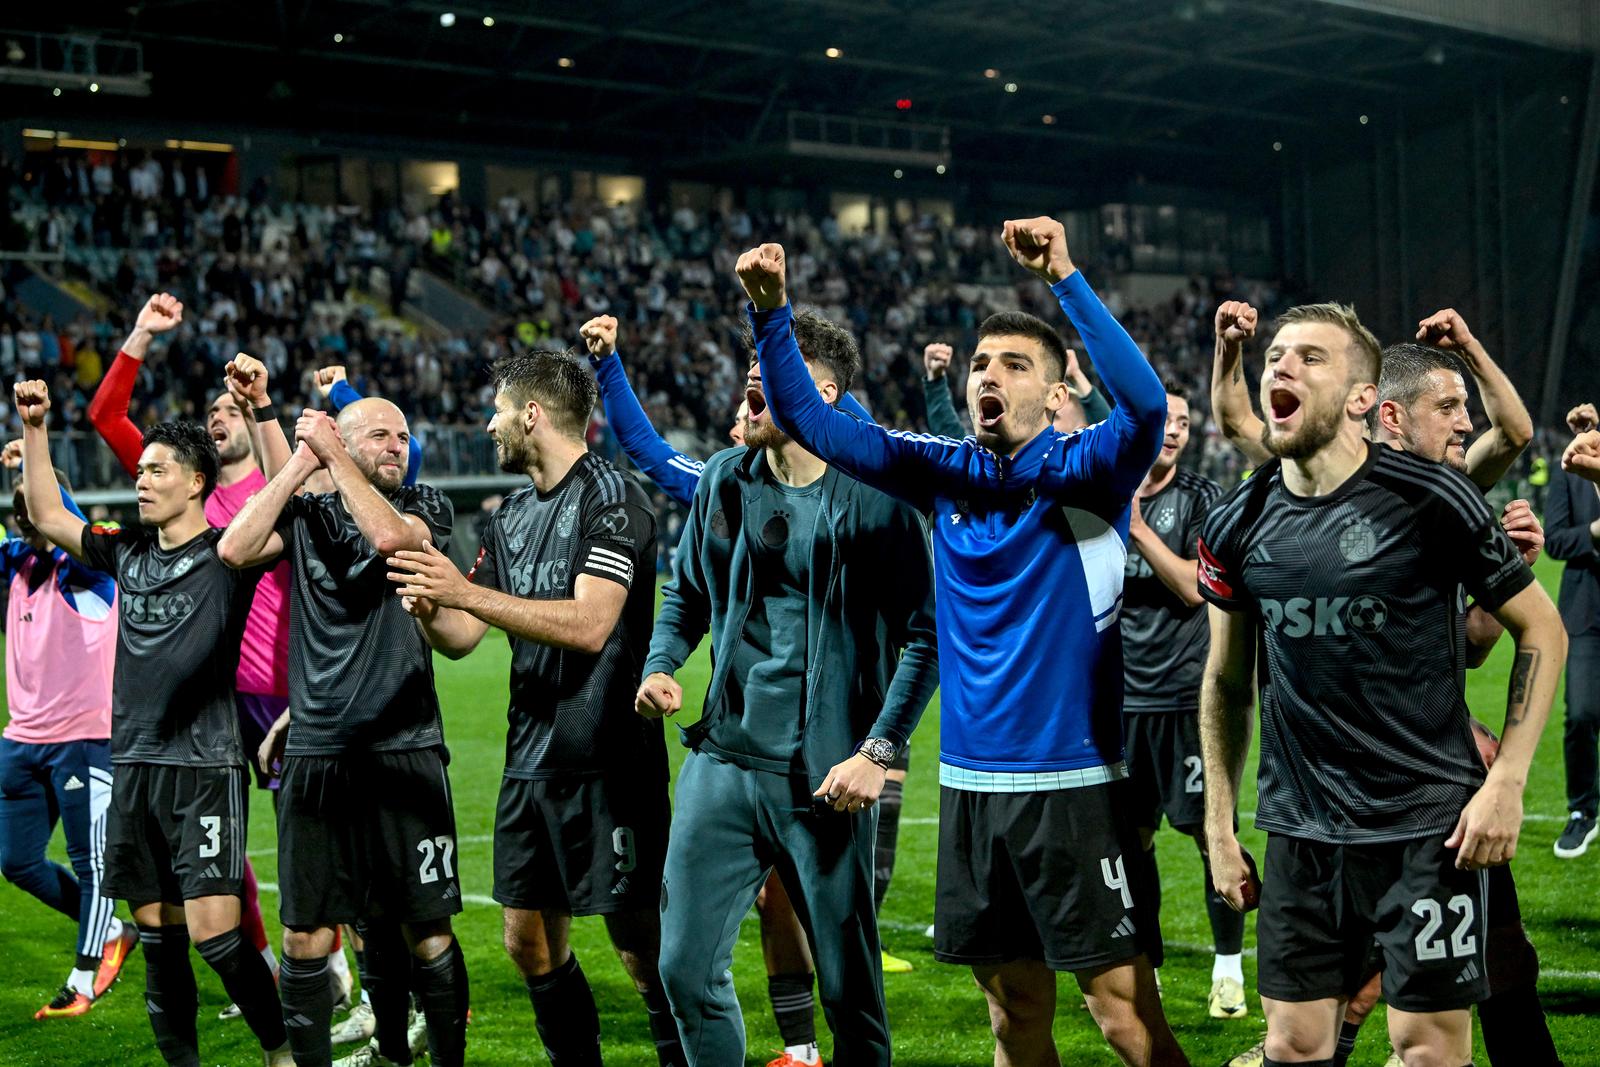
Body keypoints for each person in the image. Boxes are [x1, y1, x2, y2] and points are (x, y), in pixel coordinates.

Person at [741, 218, 1186, 1066]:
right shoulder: (945, 468)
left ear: (1057, 394)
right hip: (971, 786)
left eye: (1015, 365)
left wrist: (1064, 277)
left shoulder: (1090, 469)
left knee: (1123, 1016)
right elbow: (811, 421)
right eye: (983, 364)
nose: (990, 375)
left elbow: (1150, 404)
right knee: (1012, 1014)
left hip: (1077, 784)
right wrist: (772, 310)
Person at [1195, 301, 1566, 1067]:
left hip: (1425, 828)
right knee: (1293, 1046)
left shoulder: (1433, 497)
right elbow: (1228, 681)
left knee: (1428, 1050)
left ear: (1365, 399)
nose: (1282, 365)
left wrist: (1507, 782)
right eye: (1277, 355)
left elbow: (1542, 629)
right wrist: (1220, 825)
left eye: (1311, 357)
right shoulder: (1240, 519)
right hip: (1301, 832)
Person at [634, 305, 938, 1066]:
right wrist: (661, 664)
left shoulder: (880, 496)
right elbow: (687, 595)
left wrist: (879, 748)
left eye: (764, 389)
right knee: (682, 967)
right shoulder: (723, 478)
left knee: (849, 989)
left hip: (825, 776)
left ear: (822, 395)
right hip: (724, 763)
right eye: (747, 387)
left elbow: (928, 634)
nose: (745, 405)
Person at [385, 345, 685, 1066]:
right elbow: (462, 635)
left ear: (532, 413)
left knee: (641, 948)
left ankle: (683, 1054)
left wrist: (463, 591)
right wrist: (431, 601)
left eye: (497, 411)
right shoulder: (511, 515)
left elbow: (589, 624)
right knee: (527, 940)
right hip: (530, 761)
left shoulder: (613, 497)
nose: (489, 426)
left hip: (608, 761)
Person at [15, 380, 290, 1066]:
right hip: (133, 765)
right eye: (139, 471)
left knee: (217, 935)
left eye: (156, 469)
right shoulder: (127, 550)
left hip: (204, 768)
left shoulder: (231, 553)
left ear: (196, 482)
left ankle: (283, 1051)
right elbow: (48, 512)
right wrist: (37, 429)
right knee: (159, 934)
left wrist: (272, 424)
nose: (141, 480)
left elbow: (288, 503)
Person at [218, 400, 466, 1067]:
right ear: (344, 443)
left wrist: (335, 459)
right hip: (319, 753)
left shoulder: (424, 504)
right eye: (381, 434)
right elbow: (234, 547)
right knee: (304, 932)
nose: (399, 444)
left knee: (425, 928)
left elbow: (390, 540)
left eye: (405, 434)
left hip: (404, 745)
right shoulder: (305, 514)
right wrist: (303, 457)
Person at [87, 294, 293, 999]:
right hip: (211, 699)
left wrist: (261, 404)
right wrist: (141, 331)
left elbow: (301, 482)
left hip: (285, 690)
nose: (218, 413)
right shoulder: (178, 495)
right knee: (222, 866)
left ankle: (347, 983)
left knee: (313, 849)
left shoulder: (273, 493)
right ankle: (261, 972)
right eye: (213, 411)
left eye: (231, 409)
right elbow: (107, 419)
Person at [1116, 393, 1248, 1020]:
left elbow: (1197, 590)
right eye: (1165, 420)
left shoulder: (1199, 498)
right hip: (1121, 701)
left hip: (1186, 699)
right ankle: (1149, 969)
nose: (1174, 432)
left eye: (1184, 424)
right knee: (1131, 841)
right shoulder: (1104, 485)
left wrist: (1137, 528)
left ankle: (1229, 971)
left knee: (1210, 833)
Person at [0, 441, 136, 1018]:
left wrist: (39, 451)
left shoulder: (87, 570)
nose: (27, 518)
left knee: (93, 862)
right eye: (20, 509)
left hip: (83, 736)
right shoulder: (16, 567)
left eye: (38, 507)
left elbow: (79, 531)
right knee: (17, 862)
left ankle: (83, 978)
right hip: (21, 739)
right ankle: (112, 929)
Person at [1210, 303, 1532, 491]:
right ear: (1391, 416)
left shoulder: (1447, 485)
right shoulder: (1333, 473)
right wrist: (1228, 346)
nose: (1466, 426)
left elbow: (1514, 435)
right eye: (1446, 408)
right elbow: (1237, 423)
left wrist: (1469, 348)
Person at [1547, 402, 1600, 860]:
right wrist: (1596, 533)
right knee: (1581, 713)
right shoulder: (1569, 469)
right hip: (1586, 612)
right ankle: (1583, 810)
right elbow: (1555, 539)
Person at [921, 340, 1110, 439]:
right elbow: (951, 438)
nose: (1042, 417)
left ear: (1083, 431)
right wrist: (936, 380)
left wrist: (1076, 375)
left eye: (1056, 415)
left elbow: (1112, 434)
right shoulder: (998, 467)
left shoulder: (1083, 474)